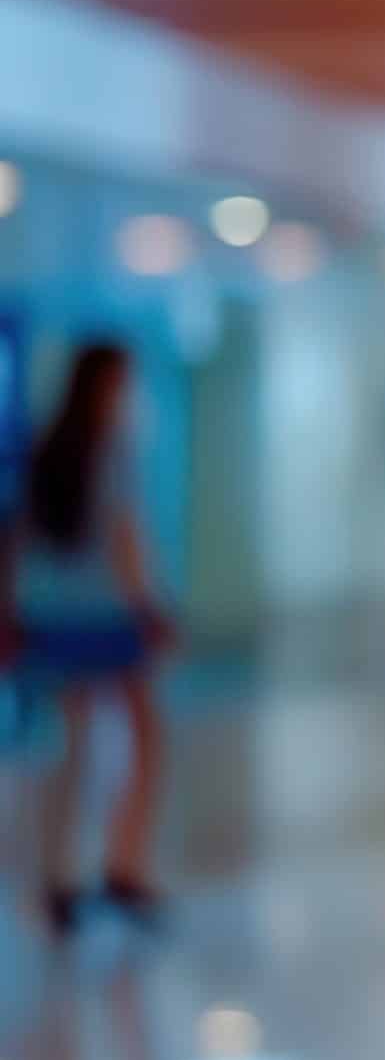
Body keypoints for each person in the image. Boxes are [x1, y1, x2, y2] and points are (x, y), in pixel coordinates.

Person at [8, 342, 173, 937]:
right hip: (104, 614)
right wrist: (150, 608)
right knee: (146, 736)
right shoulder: (115, 450)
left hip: (50, 616)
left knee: (69, 746)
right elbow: (125, 537)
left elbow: (21, 540)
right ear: (107, 384)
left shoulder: (47, 447)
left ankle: (56, 876)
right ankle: (122, 864)